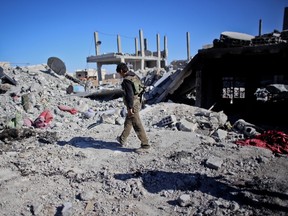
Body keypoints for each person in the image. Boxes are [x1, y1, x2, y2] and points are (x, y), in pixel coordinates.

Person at [116, 62, 150, 153]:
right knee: (129, 121)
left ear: (122, 71)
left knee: (137, 124)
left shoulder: (127, 80)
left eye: (120, 73)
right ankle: (122, 139)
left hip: (133, 104)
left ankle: (145, 144)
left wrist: (130, 108)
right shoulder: (134, 76)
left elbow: (129, 95)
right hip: (138, 101)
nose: (120, 75)